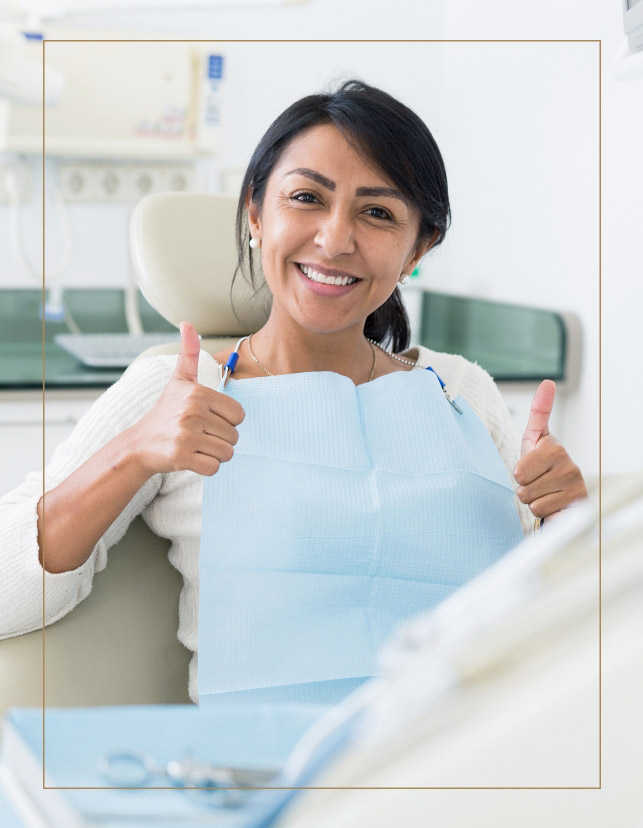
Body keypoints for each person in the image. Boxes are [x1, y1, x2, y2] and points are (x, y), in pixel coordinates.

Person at [0, 80, 587, 705]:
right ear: (256, 213)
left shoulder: (462, 393)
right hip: (263, 775)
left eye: (377, 212)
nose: (335, 240)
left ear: (419, 248)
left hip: (450, 764)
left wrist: (569, 530)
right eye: (307, 197)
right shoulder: (176, 390)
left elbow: (538, 624)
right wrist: (133, 452)